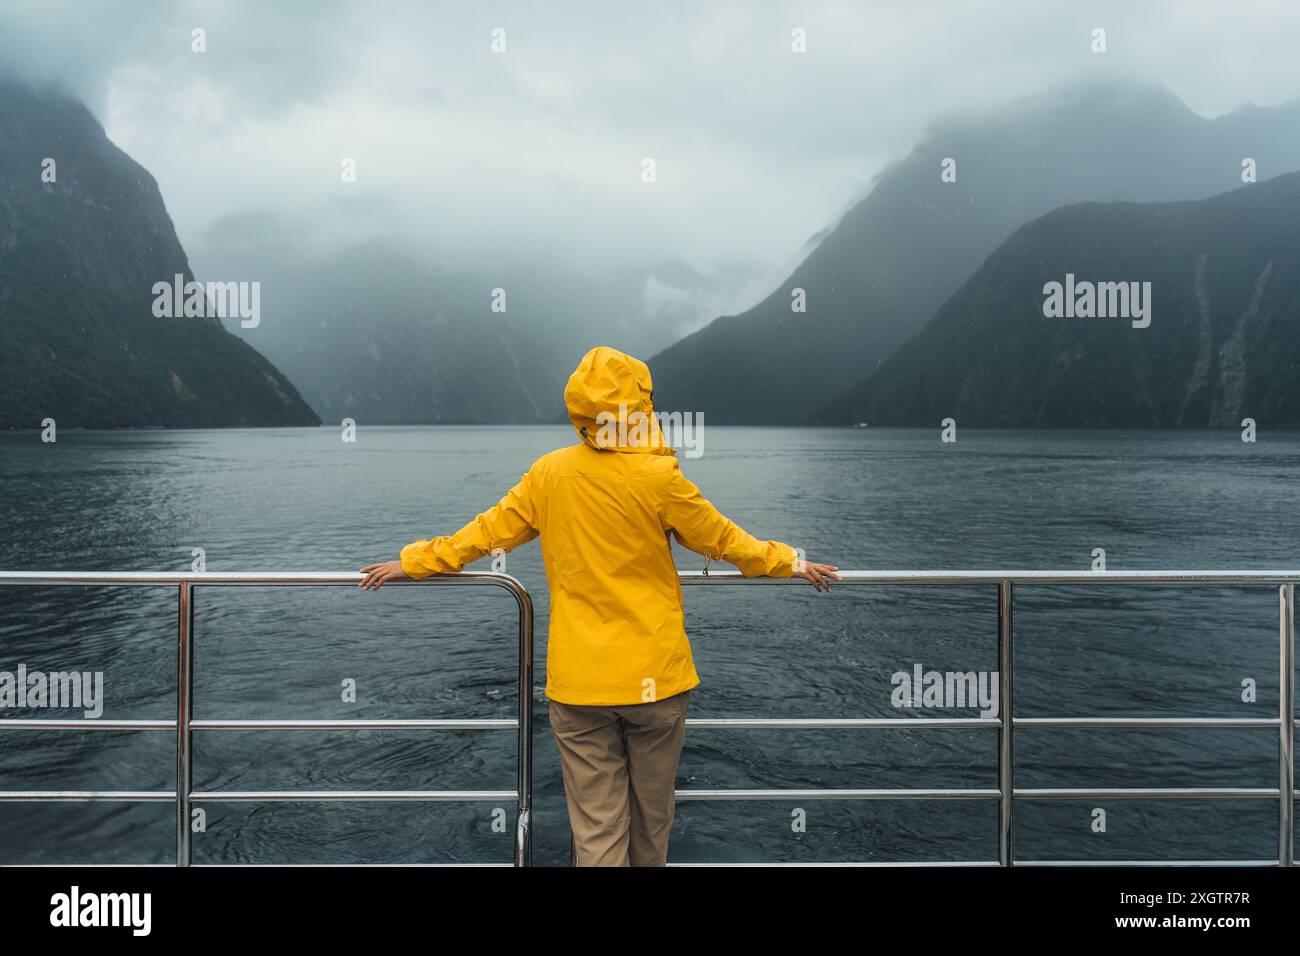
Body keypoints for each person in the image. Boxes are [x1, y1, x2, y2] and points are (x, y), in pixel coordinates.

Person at [360, 346, 839, 866]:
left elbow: (484, 536)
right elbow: (725, 541)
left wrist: (416, 561)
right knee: (652, 821)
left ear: (579, 410)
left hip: (581, 684)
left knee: (597, 831)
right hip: (655, 678)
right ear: (640, 407)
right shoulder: (659, 478)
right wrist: (791, 561)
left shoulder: (550, 474)